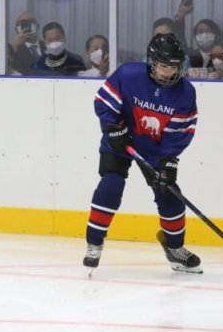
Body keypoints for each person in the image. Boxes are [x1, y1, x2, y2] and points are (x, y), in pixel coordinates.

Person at [83, 33, 201, 275]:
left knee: (169, 195)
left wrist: (168, 160)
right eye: (164, 66)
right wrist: (114, 128)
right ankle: (94, 243)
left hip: (154, 150)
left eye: (174, 67)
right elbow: (103, 103)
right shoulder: (128, 75)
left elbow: (179, 130)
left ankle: (175, 249)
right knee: (111, 186)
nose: (169, 72)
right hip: (120, 142)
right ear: (152, 61)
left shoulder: (185, 92)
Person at [9, 11, 45, 75]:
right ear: (16, 29)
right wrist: (14, 47)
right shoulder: (12, 50)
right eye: (23, 23)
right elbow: (5, 68)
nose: (28, 26)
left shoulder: (47, 46)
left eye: (31, 22)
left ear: (37, 27)